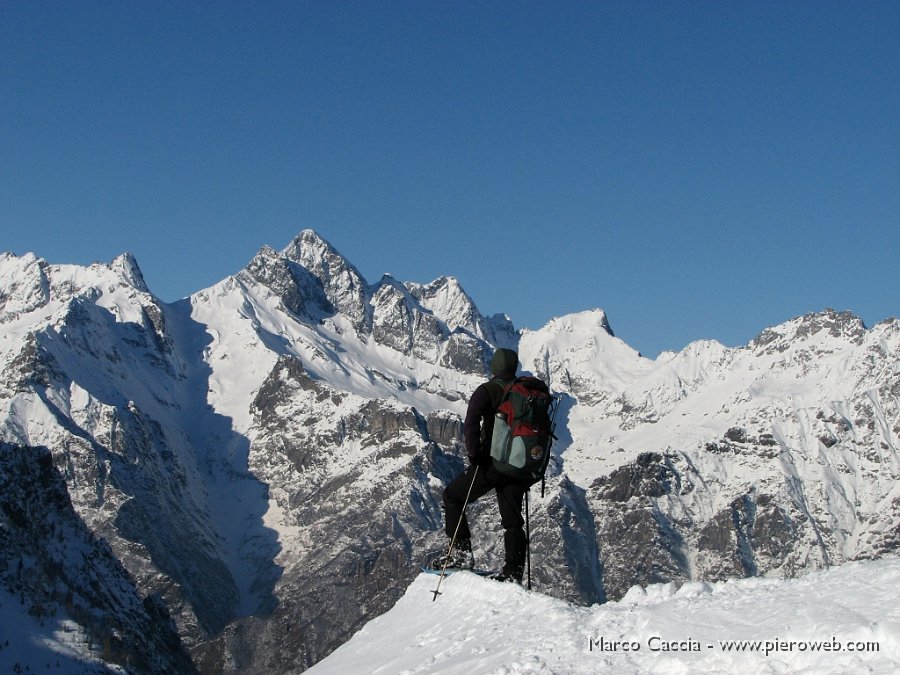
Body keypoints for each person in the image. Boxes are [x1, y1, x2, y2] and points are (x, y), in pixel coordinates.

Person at [432, 348, 532, 583]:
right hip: (520, 465)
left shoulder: (487, 390)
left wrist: (475, 455)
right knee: (513, 520)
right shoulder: (526, 392)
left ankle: (462, 554)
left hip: (493, 464)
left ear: (494, 368)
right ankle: (513, 571)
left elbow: (471, 424)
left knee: (453, 497)